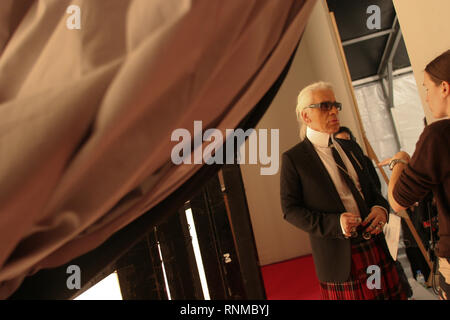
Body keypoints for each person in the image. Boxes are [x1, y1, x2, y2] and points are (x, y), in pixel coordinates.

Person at [280, 81, 408, 300]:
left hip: (375, 243)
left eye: (335, 105)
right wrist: (336, 223)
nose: (333, 111)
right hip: (340, 256)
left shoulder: (349, 146)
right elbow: (290, 210)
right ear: (306, 116)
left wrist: (380, 208)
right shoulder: (294, 159)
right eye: (324, 105)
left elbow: (373, 189)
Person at [379, 49, 450, 300]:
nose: (426, 97)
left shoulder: (439, 136)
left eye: (427, 88)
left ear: (445, 88)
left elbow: (398, 199)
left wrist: (400, 159)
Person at [334, 126, 382, 192]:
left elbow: (376, 183)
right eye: (341, 141)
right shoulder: (339, 164)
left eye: (347, 139)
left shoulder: (365, 160)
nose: (346, 143)